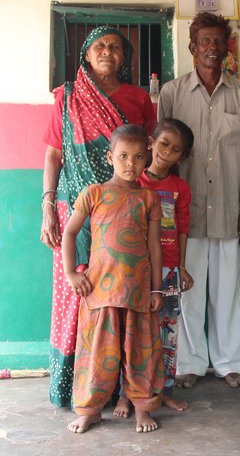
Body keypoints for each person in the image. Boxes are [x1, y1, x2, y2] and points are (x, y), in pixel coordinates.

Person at [41, 26, 156, 407]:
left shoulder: (138, 98)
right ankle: (76, 389)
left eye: (116, 47)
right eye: (100, 46)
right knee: (79, 293)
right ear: (86, 55)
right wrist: (47, 208)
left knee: (121, 299)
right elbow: (55, 155)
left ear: (125, 58)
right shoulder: (68, 96)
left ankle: (120, 391)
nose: (108, 52)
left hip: (124, 214)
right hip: (76, 205)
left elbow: (146, 154)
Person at [158, 13, 240, 389]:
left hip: (229, 208)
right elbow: (161, 156)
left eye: (219, 42)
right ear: (192, 47)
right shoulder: (172, 93)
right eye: (205, 42)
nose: (212, 49)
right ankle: (189, 364)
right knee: (187, 289)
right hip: (184, 213)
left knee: (229, 292)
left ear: (227, 47)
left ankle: (231, 362)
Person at [62, 124, 163, 434]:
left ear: (147, 159)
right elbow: (69, 232)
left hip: (137, 291)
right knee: (97, 353)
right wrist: (70, 273)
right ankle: (91, 410)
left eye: (137, 157)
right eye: (123, 156)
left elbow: (154, 245)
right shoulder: (94, 193)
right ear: (110, 157)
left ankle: (142, 408)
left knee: (140, 352)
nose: (130, 164)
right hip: (99, 290)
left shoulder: (149, 198)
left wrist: (157, 288)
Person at [114, 118, 195, 418]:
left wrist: (182, 267)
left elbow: (183, 228)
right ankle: (127, 394)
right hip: (137, 270)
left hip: (169, 270)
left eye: (175, 150)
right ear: (151, 142)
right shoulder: (134, 183)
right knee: (131, 332)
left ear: (181, 157)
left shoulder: (180, 188)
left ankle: (164, 392)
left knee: (167, 333)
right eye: (163, 144)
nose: (167, 152)